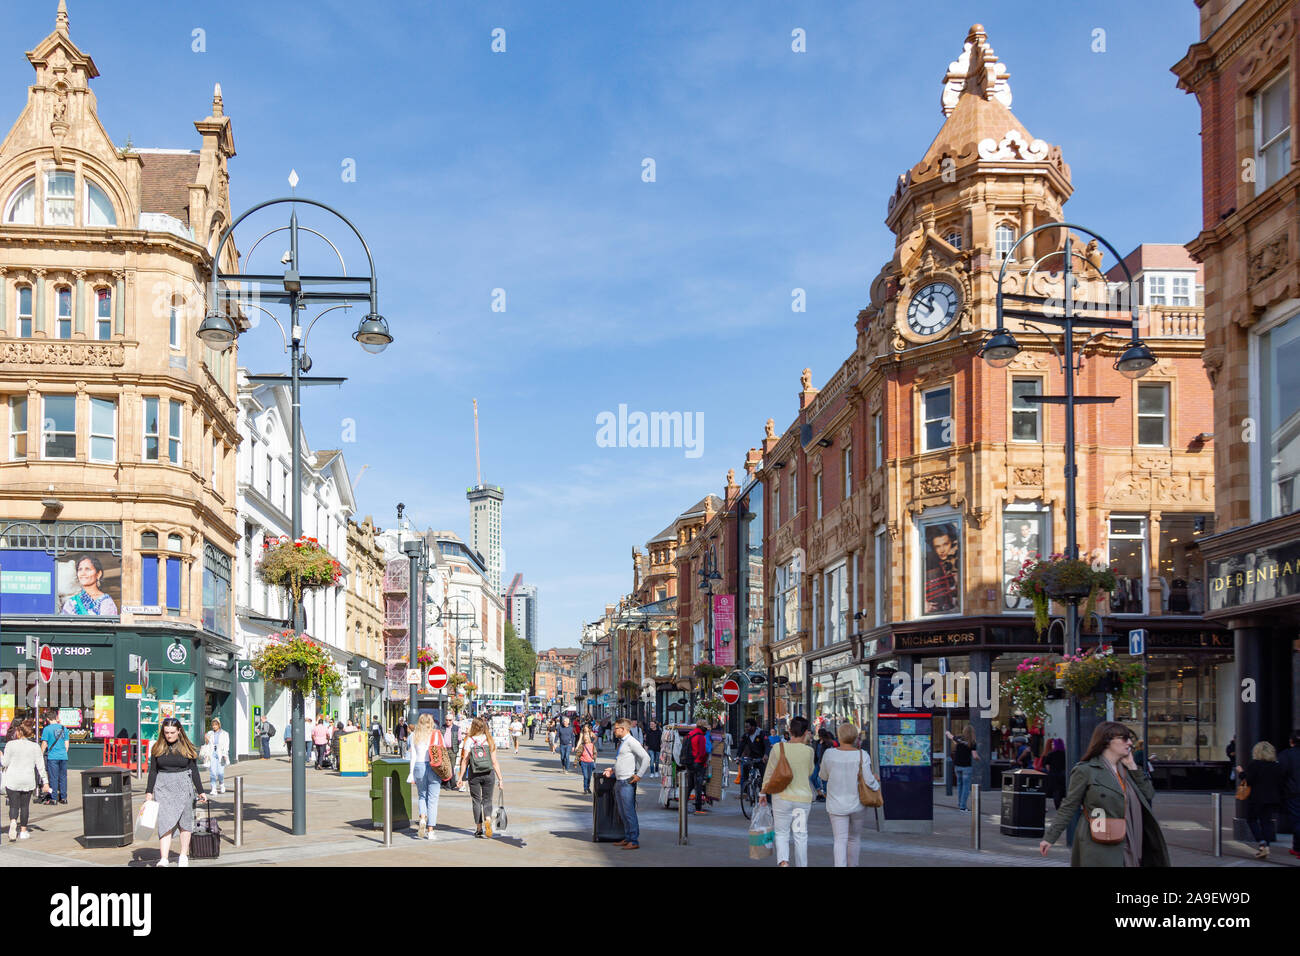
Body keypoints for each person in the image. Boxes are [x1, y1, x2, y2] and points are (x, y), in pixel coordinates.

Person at [1039, 721, 1170, 867]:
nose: (1130, 743)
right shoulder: (1086, 770)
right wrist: (1050, 838)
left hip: (1131, 839)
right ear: (1107, 741)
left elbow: (1149, 794)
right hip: (1098, 841)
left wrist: (1133, 766)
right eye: (1124, 738)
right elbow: (1069, 806)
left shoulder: (1128, 770)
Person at [145, 717, 208, 866]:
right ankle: (164, 858)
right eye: (166, 732)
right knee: (165, 822)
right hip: (163, 788)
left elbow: (194, 770)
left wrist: (201, 791)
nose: (169, 735)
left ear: (179, 731)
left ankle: (183, 855)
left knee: (185, 822)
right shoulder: (157, 748)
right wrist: (149, 792)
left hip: (184, 787)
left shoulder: (187, 748)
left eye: (172, 732)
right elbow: (153, 771)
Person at [818, 722, 881, 867]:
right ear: (855, 737)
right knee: (854, 838)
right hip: (858, 803)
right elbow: (869, 780)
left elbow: (823, 776)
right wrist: (876, 785)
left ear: (839, 736)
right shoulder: (862, 754)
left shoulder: (829, 754)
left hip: (836, 804)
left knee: (840, 840)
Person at [758, 716, 816, 867]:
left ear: (789, 731)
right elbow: (810, 772)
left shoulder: (778, 748)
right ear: (805, 733)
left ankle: (783, 862)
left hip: (781, 798)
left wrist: (763, 793)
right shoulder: (809, 751)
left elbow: (769, 773)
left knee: (782, 833)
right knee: (800, 835)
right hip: (802, 800)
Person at [604, 717, 652, 850]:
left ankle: (634, 840)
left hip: (627, 782)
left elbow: (646, 758)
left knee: (629, 811)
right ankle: (628, 837)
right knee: (622, 811)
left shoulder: (631, 742)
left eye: (616, 729)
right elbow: (623, 760)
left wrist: (639, 775)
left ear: (623, 729)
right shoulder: (622, 742)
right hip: (619, 781)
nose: (614, 731)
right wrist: (613, 769)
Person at [455, 717, 504, 838]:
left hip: (474, 774)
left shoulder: (469, 740)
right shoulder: (489, 740)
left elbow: (465, 761)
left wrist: (460, 777)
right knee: (487, 800)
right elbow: (494, 761)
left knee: (476, 801)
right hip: (489, 774)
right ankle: (488, 818)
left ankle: (478, 828)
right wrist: (500, 779)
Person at [1237, 740, 1286, 860]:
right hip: (1272, 798)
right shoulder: (1277, 766)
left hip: (1257, 798)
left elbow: (1248, 780)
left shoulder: (1255, 764)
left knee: (1251, 819)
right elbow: (1281, 782)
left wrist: (1240, 772)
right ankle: (1266, 845)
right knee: (1267, 822)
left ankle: (1262, 842)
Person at [2, 724, 51, 841]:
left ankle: (13, 821)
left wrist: (1, 756)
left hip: (13, 779)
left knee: (13, 805)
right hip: (28, 780)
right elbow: (40, 766)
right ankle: (23, 831)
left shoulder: (10, 745)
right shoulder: (35, 747)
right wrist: (46, 782)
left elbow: (4, 763)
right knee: (25, 806)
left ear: (19, 732)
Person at [407, 714, 442, 840]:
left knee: (422, 795)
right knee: (432, 799)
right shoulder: (435, 734)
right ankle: (431, 831)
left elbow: (413, 757)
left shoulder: (414, 735)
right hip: (433, 766)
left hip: (419, 766)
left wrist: (411, 774)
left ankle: (422, 818)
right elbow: (440, 752)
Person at [944, 726, 980, 812]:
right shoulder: (972, 742)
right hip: (967, 767)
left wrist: (947, 732)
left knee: (960, 785)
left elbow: (950, 736)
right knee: (966, 787)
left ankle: (960, 804)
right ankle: (963, 807)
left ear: (964, 731)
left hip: (957, 766)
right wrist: (979, 759)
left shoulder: (959, 738)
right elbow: (975, 756)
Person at [679, 720, 710, 814]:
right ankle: (698, 808)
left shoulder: (689, 734)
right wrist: (705, 763)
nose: (706, 729)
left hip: (689, 763)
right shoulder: (700, 737)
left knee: (690, 785)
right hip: (698, 763)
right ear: (702, 727)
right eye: (705, 727)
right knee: (698, 786)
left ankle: (683, 804)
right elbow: (702, 753)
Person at [40, 711, 69, 805]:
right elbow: (66, 744)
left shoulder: (47, 729)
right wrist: (63, 753)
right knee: (63, 777)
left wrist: (40, 755)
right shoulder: (64, 728)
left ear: (48, 719)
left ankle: (54, 798)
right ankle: (64, 798)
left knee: (53, 777)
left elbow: (44, 744)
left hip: (52, 756)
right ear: (56, 717)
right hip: (63, 756)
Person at [738, 719, 769, 793]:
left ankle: (766, 796)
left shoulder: (761, 733)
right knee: (745, 767)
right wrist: (738, 757)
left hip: (761, 758)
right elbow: (741, 747)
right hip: (752, 757)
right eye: (745, 727)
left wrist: (766, 755)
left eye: (747, 727)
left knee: (764, 777)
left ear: (753, 727)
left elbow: (767, 745)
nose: (746, 729)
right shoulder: (746, 735)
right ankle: (745, 790)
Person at [204, 718, 230, 794]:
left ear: (219, 725)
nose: (214, 726)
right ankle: (213, 788)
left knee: (220, 772)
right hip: (212, 753)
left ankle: (221, 784)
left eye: (216, 725)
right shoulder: (210, 733)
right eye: (213, 725)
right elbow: (207, 743)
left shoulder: (225, 733)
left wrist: (225, 754)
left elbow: (226, 745)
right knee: (212, 772)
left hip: (220, 753)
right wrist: (206, 738)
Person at [1042, 738, 1067, 810]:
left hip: (1053, 774)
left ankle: (1057, 806)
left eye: (1053, 744)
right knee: (1062, 790)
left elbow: (1047, 765)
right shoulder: (1065, 754)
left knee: (1056, 791)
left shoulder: (1051, 754)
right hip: (1063, 774)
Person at [575, 723, 598, 794]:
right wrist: (577, 746)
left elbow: (595, 753)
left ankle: (588, 787)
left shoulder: (591, 733)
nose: (585, 728)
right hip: (583, 761)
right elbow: (579, 740)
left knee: (589, 776)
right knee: (585, 776)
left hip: (590, 761)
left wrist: (592, 743)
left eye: (586, 727)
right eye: (584, 727)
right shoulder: (582, 733)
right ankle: (585, 788)